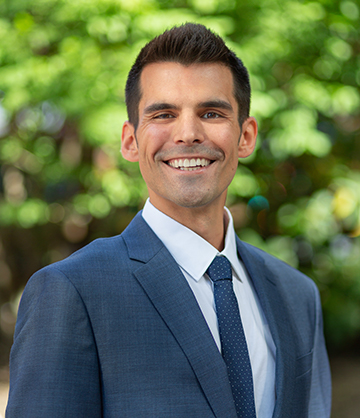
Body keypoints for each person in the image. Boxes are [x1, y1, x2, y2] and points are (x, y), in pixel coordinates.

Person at [6, 23, 331, 417]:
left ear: (245, 135)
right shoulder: (71, 292)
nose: (189, 133)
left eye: (211, 112)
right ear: (130, 141)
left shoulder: (298, 296)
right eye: (163, 113)